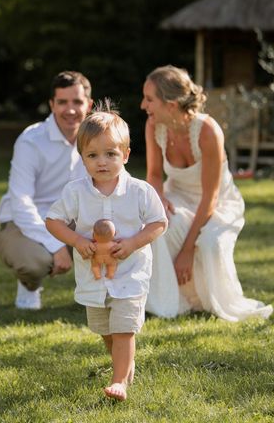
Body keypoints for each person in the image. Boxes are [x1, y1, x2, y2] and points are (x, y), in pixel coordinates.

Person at [46, 108, 167, 401]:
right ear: (82, 157)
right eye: (93, 155)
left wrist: (133, 242)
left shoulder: (140, 191)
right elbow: (53, 221)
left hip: (130, 273)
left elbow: (158, 223)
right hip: (94, 276)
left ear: (125, 154)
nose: (102, 162)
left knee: (124, 329)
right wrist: (76, 240)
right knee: (106, 330)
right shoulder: (75, 192)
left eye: (110, 154)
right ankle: (124, 366)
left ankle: (119, 381)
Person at [141, 65, 273, 321]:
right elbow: (155, 175)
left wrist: (187, 251)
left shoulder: (208, 131)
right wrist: (159, 198)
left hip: (218, 203)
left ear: (171, 103)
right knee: (160, 226)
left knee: (210, 244)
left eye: (149, 99)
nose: (143, 105)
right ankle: (170, 303)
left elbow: (210, 198)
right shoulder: (153, 126)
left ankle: (208, 302)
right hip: (177, 196)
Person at [0, 71, 93, 310]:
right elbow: (21, 203)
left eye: (77, 102)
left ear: (89, 105)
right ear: (51, 104)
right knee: (35, 263)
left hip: (75, 220)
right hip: (25, 223)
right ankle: (29, 284)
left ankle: (105, 297)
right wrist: (56, 246)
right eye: (62, 102)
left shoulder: (97, 138)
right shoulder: (31, 140)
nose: (70, 110)